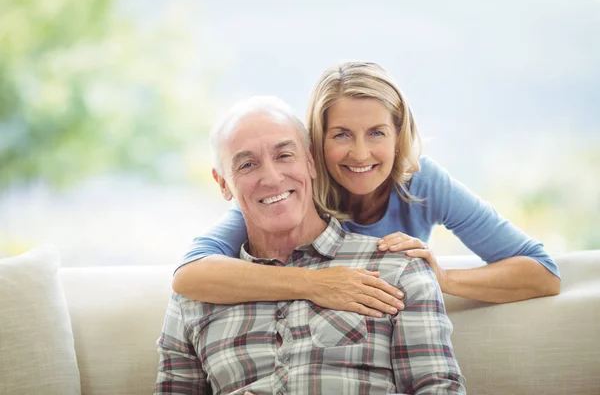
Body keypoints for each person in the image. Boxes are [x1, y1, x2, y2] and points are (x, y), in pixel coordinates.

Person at [173, 61, 560, 316]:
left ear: (397, 135)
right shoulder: (295, 190)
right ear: (316, 145)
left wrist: (442, 281)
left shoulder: (420, 182)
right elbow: (190, 274)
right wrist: (315, 283)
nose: (360, 154)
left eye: (376, 133)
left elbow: (541, 272)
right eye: (341, 134)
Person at [154, 96, 466, 394]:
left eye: (284, 156)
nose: (273, 178)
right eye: (247, 165)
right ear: (223, 183)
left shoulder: (399, 268)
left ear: (311, 163)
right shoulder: (194, 298)